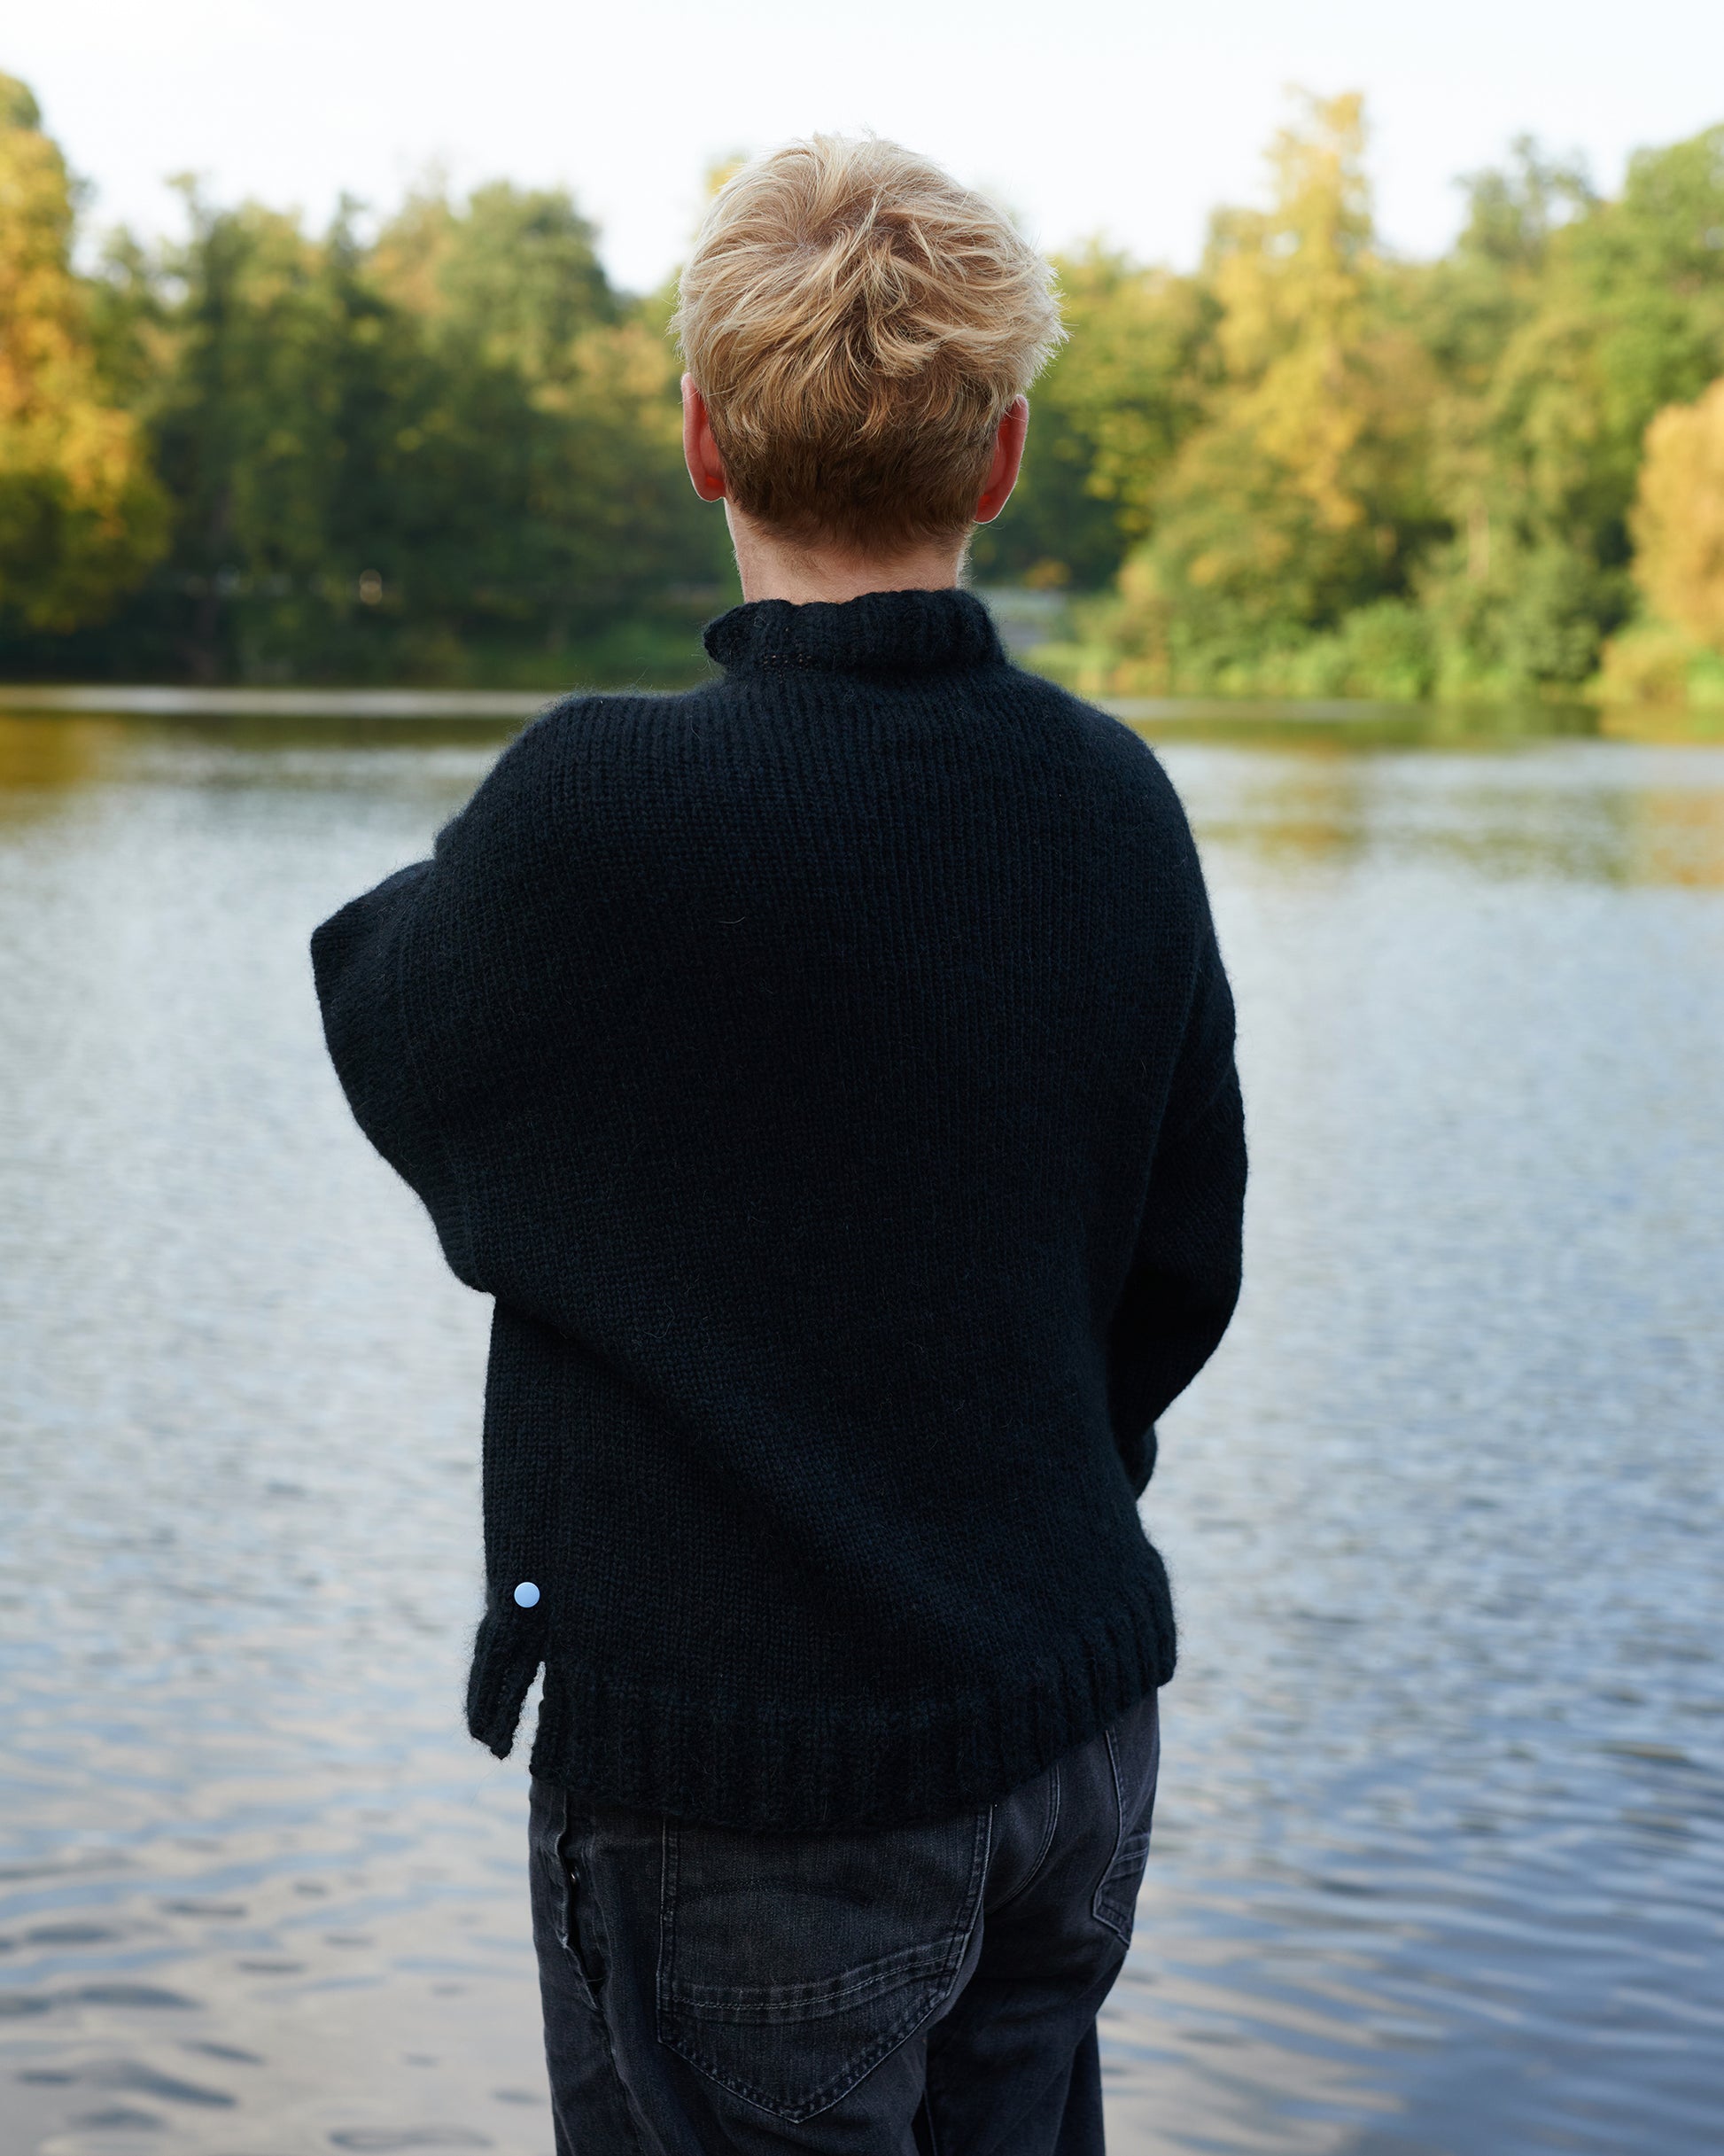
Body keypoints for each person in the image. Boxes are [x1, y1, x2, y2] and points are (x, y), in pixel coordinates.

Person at [312, 134, 1246, 2156]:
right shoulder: (1113, 803)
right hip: (1066, 1728)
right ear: (998, 461)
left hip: (751, 1792)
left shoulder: (604, 811)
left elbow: (384, 1012)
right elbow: (1182, 1271)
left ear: (699, 439)